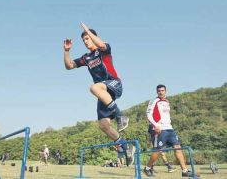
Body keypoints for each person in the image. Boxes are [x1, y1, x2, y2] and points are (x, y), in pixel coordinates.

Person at [63, 22, 133, 165]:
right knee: (103, 125)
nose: (85, 42)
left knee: (94, 88)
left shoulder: (103, 49)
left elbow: (101, 45)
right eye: (84, 40)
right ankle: (126, 146)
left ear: (93, 37)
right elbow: (69, 66)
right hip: (103, 92)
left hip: (114, 83)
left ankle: (120, 117)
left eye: (87, 38)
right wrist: (67, 51)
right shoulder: (86, 58)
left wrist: (88, 31)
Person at [143, 84, 193, 177]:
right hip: (160, 129)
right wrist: (155, 125)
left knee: (177, 147)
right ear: (156, 92)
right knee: (158, 151)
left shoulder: (167, 101)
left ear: (165, 91)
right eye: (159, 91)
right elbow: (149, 114)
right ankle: (147, 168)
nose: (160, 92)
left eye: (162, 90)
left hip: (170, 129)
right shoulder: (154, 101)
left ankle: (184, 171)